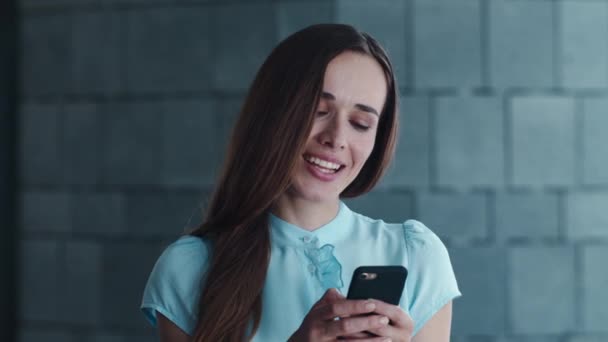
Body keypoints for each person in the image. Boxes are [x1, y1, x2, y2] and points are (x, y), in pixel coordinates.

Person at [140, 23, 461, 342]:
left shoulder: (416, 256)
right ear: (274, 112)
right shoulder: (189, 268)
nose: (336, 138)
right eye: (319, 110)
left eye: (360, 123)